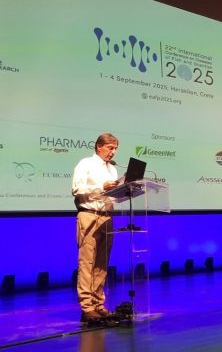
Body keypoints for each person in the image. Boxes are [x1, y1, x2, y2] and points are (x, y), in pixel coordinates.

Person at [72, 132, 124, 324]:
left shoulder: (112, 169)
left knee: (102, 264)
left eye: (115, 149)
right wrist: (102, 187)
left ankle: (98, 304)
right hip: (89, 215)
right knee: (87, 263)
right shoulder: (85, 164)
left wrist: (125, 191)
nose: (113, 152)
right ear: (99, 146)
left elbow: (113, 196)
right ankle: (87, 308)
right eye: (110, 148)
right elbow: (77, 189)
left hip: (107, 216)